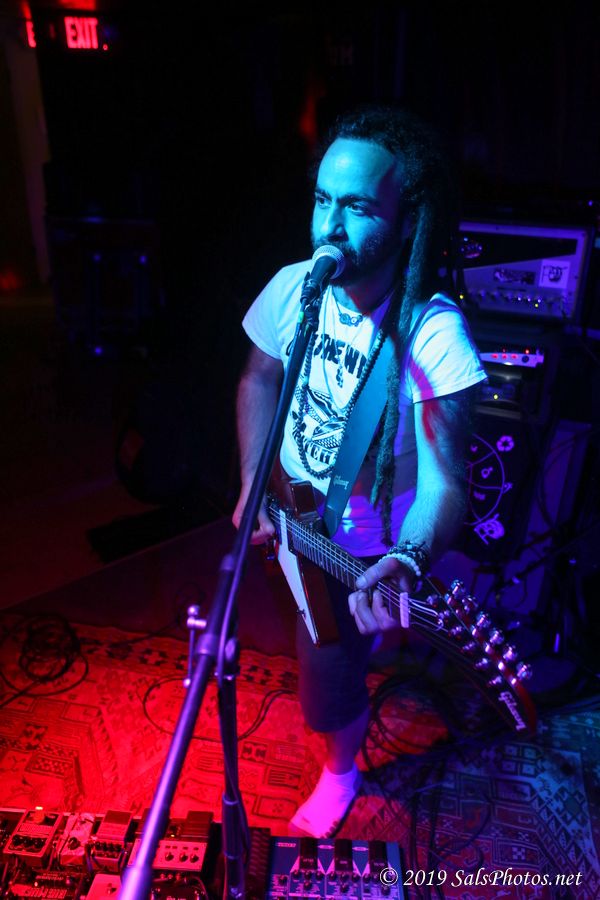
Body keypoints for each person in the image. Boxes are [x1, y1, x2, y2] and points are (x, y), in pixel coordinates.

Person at [232, 104, 487, 838]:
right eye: (322, 200)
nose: (329, 227)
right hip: (289, 514)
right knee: (320, 647)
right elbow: (256, 378)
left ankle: (340, 772)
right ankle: (364, 664)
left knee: (327, 677)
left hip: (365, 554)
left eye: (357, 207)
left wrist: (408, 557)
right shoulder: (294, 287)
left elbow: (446, 483)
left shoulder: (433, 336)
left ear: (406, 222)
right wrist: (252, 480)